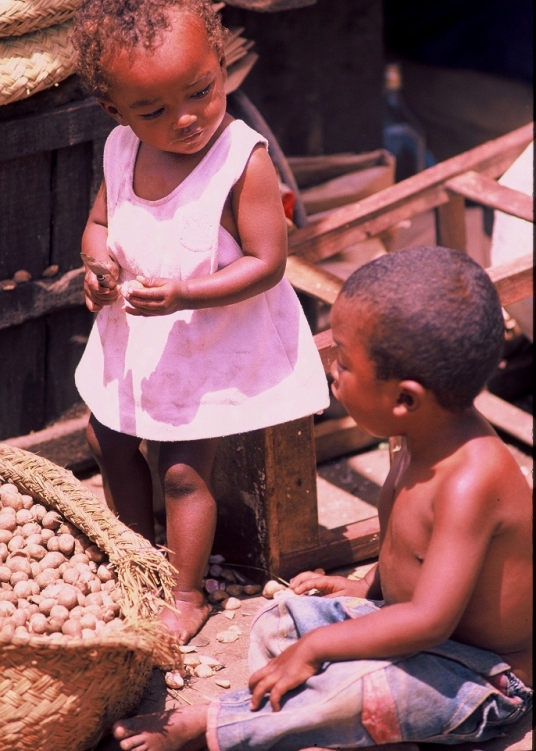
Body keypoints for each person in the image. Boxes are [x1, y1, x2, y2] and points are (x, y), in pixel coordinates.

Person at [112, 247, 532, 750]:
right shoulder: (421, 436)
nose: (333, 371)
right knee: (279, 622)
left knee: (366, 689)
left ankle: (211, 726)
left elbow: (429, 619)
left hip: (484, 675)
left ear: (404, 400)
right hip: (422, 638)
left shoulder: (471, 480)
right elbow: (415, 552)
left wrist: (319, 647)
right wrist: (362, 588)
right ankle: (290, 717)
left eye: (346, 365)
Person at [71, 0, 329, 644]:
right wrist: (96, 265)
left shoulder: (243, 161)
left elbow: (268, 264)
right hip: (136, 338)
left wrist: (185, 292)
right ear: (116, 112)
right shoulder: (122, 151)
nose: (185, 119)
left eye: (201, 92)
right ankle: (137, 555)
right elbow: (100, 224)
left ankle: (187, 594)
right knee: (107, 437)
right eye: (154, 111)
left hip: (204, 344)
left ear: (221, 66)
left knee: (184, 469)